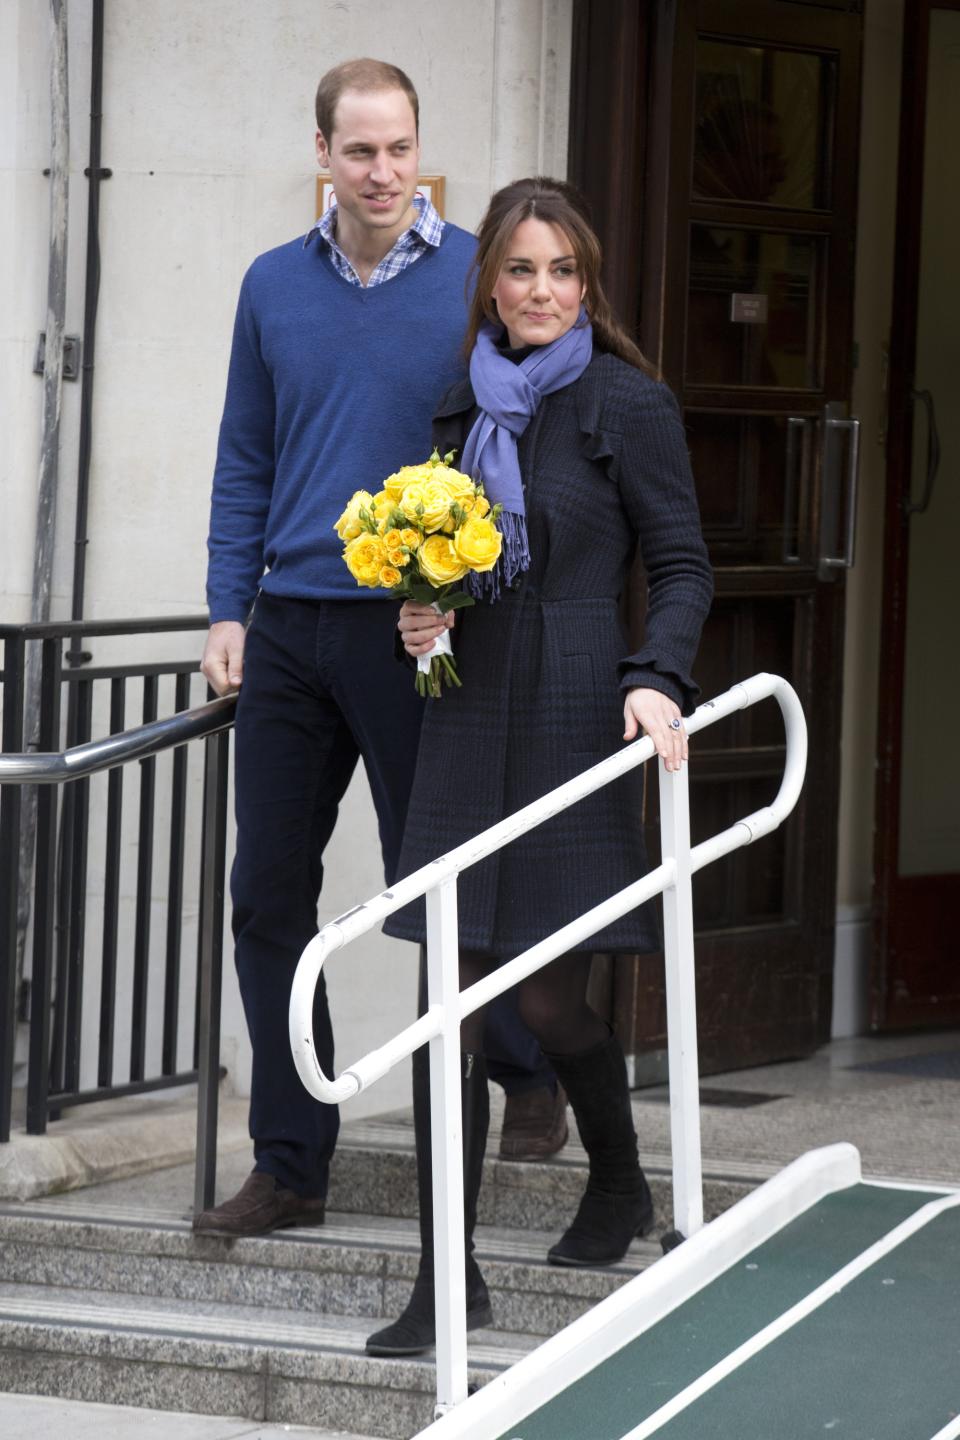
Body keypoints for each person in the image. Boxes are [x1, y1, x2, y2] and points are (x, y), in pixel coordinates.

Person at [194, 62, 565, 1240]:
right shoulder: (271, 286)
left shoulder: (472, 279)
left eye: (400, 148)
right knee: (267, 896)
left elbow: (522, 446)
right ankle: (291, 1161)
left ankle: (526, 1066)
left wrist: (468, 584)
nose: (383, 172)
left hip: (419, 626)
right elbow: (245, 454)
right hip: (292, 627)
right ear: (322, 153)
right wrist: (225, 607)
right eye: (359, 151)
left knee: (439, 883)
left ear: (419, 147)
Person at [365, 177, 713, 1356]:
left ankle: (618, 1182)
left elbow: (683, 568)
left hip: (576, 715)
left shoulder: (630, 403)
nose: (542, 292)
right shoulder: (460, 404)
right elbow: (445, 569)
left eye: (563, 270)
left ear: (588, 282)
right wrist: (422, 615)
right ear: (490, 284)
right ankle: (444, 1278)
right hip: (465, 723)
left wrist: (656, 673)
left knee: (549, 995)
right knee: (443, 1008)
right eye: (521, 270)